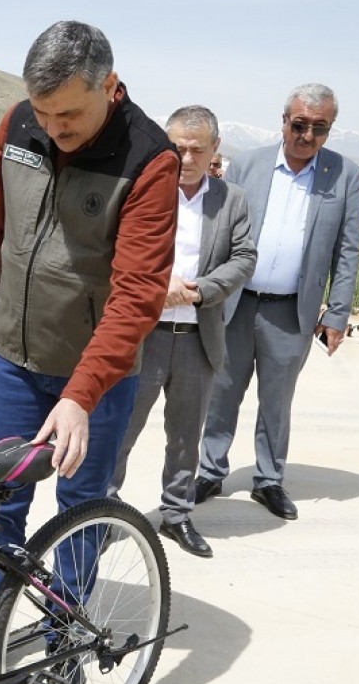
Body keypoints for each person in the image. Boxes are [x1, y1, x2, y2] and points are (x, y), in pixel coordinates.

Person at [0, 21, 179, 645]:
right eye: (43, 113)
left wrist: (80, 396)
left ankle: (65, 642)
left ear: (110, 85)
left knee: (80, 510)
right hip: (17, 362)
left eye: (69, 114)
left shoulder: (149, 159)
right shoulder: (18, 123)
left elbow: (137, 296)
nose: (53, 128)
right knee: (3, 503)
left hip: (98, 379)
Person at [194, 83, 359, 521]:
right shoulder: (246, 165)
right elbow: (217, 230)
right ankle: (211, 471)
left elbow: (348, 250)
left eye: (319, 128)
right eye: (300, 124)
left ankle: (268, 479)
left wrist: (338, 313)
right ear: (284, 121)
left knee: (276, 399)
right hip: (235, 303)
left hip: (292, 311)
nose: (307, 135)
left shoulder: (345, 176)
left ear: (330, 130)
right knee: (222, 392)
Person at [108, 106, 257, 558]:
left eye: (197, 149)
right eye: (177, 148)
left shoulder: (232, 200)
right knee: (121, 430)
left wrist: (199, 292)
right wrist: (158, 285)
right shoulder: (143, 191)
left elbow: (244, 258)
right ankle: (103, 510)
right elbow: (113, 247)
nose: (186, 158)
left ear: (216, 150)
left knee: (185, 437)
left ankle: (176, 514)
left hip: (197, 336)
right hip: (142, 335)